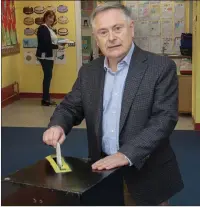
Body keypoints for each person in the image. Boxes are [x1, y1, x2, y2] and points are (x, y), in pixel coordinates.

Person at [42, 3, 184, 205]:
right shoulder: (88, 72)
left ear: (131, 28)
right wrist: (58, 124)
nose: (111, 38)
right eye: (103, 31)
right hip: (102, 174)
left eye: (118, 28)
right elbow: (70, 107)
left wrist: (126, 154)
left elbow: (164, 119)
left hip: (147, 176)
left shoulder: (160, 68)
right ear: (96, 37)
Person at [36, 11, 65, 106]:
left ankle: (46, 98)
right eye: (49, 17)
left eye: (53, 18)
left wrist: (60, 44)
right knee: (47, 77)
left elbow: (51, 42)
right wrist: (58, 47)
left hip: (50, 56)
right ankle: (45, 100)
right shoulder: (43, 28)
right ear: (45, 17)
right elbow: (45, 44)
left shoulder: (49, 29)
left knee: (48, 77)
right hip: (45, 57)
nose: (51, 19)